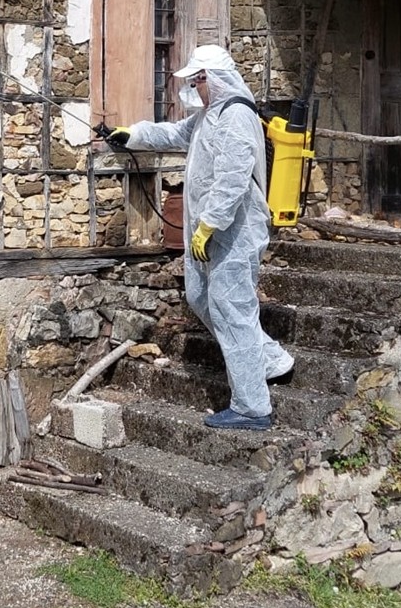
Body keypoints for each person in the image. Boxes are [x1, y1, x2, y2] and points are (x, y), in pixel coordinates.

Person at [106, 44, 293, 430]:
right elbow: (175, 132)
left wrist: (210, 224)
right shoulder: (211, 115)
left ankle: (252, 407)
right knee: (201, 297)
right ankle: (270, 360)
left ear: (212, 78)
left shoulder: (237, 115)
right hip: (212, 231)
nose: (193, 87)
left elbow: (233, 178)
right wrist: (132, 135)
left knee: (232, 309)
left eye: (197, 80)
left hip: (234, 231)